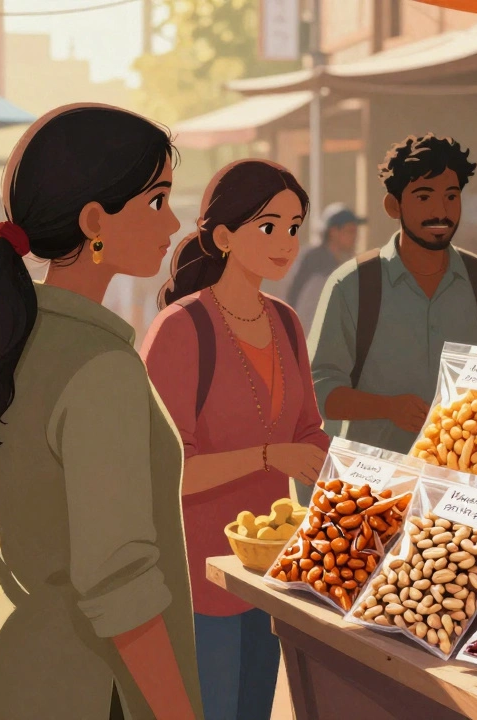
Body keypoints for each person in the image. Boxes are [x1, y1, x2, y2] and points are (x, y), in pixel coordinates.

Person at [0, 104, 202, 720]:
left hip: (20, 668)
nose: (175, 221)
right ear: (94, 221)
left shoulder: (21, 337)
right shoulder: (102, 368)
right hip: (88, 686)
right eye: (157, 201)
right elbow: (119, 586)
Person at [144, 160, 330, 720]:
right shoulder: (181, 330)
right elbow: (166, 469)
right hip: (198, 578)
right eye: (269, 227)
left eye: (295, 227)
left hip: (272, 573)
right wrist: (271, 457)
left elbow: (308, 432)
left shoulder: (288, 322)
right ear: (224, 236)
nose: (286, 243)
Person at [309, 134, 477, 463]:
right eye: (424, 197)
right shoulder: (352, 285)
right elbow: (318, 392)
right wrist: (387, 408)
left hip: (462, 489)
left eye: (451, 196)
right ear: (394, 205)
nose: (441, 210)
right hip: (371, 489)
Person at [286, 203, 366, 327]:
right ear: (333, 232)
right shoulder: (316, 263)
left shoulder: (339, 263)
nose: (355, 237)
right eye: (350, 231)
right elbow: (303, 306)